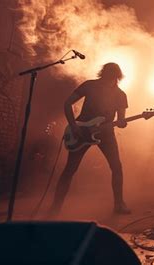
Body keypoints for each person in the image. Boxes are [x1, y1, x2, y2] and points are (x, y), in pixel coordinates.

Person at [49, 63, 131, 215]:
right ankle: (55, 206)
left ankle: (119, 204)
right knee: (70, 169)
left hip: (106, 133)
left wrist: (122, 123)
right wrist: (74, 126)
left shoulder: (121, 95)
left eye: (112, 78)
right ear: (103, 74)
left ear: (117, 77)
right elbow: (67, 103)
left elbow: (121, 121)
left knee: (116, 167)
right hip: (81, 132)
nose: (108, 81)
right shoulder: (90, 85)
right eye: (107, 77)